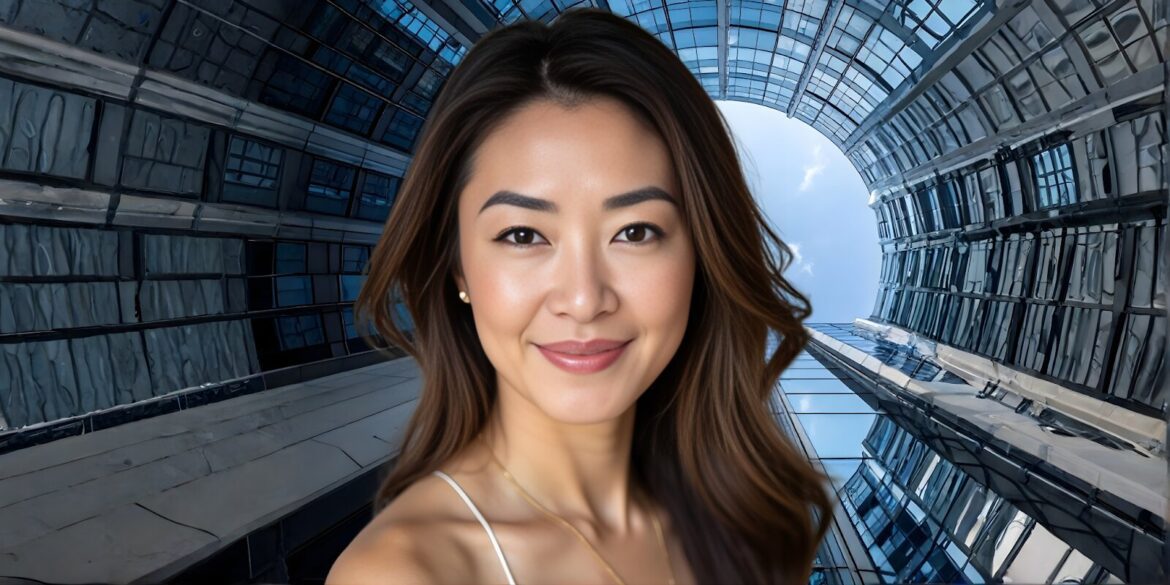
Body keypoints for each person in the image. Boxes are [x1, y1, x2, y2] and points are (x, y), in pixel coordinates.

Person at [327, 7, 832, 584]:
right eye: (523, 235)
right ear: (457, 268)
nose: (585, 299)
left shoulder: (747, 526)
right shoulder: (403, 572)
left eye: (635, 232)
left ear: (700, 258)